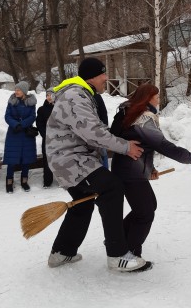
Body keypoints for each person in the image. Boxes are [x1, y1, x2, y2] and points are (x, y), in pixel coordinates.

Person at [46, 57, 149, 272]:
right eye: (103, 74)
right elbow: (93, 133)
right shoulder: (75, 96)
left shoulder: (82, 94)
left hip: (70, 159)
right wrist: (125, 147)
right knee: (112, 187)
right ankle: (117, 255)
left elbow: (95, 131)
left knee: (82, 203)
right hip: (71, 160)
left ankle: (62, 252)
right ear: (92, 77)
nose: (106, 78)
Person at [109, 84, 191, 258]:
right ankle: (129, 254)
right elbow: (162, 145)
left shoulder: (128, 113)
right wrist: (190, 158)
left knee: (148, 206)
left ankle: (117, 240)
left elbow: (141, 143)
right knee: (145, 213)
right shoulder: (143, 119)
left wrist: (149, 169)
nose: (159, 100)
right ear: (148, 98)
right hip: (131, 172)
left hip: (127, 169)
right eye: (157, 97)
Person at [3, 81, 37, 193]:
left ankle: (24, 181)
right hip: (14, 133)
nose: (16, 92)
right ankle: (9, 182)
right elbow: (7, 116)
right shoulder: (12, 101)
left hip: (27, 134)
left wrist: (22, 125)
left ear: (24, 91)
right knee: (12, 159)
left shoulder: (31, 102)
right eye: (15, 89)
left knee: (26, 159)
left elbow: (32, 116)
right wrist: (15, 125)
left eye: (18, 90)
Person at [36, 88, 55, 188]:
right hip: (47, 139)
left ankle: (62, 180)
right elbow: (39, 123)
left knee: (60, 159)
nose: (49, 97)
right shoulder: (42, 109)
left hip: (60, 138)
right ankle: (47, 181)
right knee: (47, 159)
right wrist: (45, 134)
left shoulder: (60, 108)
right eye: (47, 95)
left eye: (51, 95)